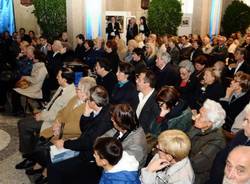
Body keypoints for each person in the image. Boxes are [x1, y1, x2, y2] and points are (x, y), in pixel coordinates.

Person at [47, 85, 112, 184]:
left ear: (93, 102)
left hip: (92, 156)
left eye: (88, 98)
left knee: (54, 165)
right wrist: (86, 114)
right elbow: (84, 129)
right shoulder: (98, 109)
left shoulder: (104, 120)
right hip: (85, 146)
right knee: (51, 156)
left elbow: (87, 143)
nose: (86, 99)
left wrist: (65, 144)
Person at [15, 68, 76, 170]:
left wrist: (42, 116)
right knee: (23, 123)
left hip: (52, 122)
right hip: (46, 115)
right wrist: (42, 112)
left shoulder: (71, 94)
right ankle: (31, 155)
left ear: (65, 79)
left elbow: (60, 115)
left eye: (59, 76)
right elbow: (51, 105)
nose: (56, 77)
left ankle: (30, 156)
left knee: (24, 125)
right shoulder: (62, 87)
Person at [207, 103, 250, 184]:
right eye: (245, 119)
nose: (243, 124)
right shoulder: (241, 134)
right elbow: (220, 157)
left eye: (248, 121)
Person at [188, 99, 226, 184]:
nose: (195, 117)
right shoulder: (198, 127)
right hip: (184, 166)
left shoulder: (217, 141)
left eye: (200, 115)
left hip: (196, 177)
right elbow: (183, 141)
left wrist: (174, 158)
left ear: (210, 123)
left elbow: (196, 165)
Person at [102, 104, 147, 168]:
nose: (111, 119)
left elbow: (121, 164)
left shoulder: (136, 145)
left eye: (113, 120)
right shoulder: (125, 126)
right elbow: (103, 138)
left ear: (120, 123)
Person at [135, 69, 159, 133]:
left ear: (147, 84)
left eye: (139, 80)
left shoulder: (156, 102)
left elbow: (150, 129)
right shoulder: (138, 95)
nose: (136, 81)